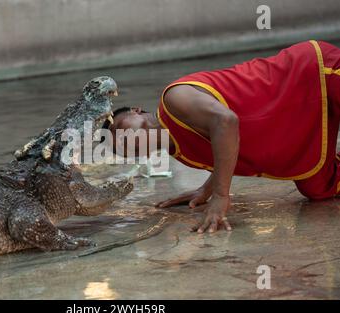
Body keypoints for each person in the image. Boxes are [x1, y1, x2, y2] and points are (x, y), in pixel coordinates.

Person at [102, 40, 340, 234]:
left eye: (120, 129)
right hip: (295, 122)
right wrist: (206, 188)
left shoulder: (174, 99)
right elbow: (224, 148)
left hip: (309, 74)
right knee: (318, 188)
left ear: (137, 111)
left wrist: (220, 195)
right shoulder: (181, 154)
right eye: (121, 146)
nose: (124, 140)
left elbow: (225, 122)